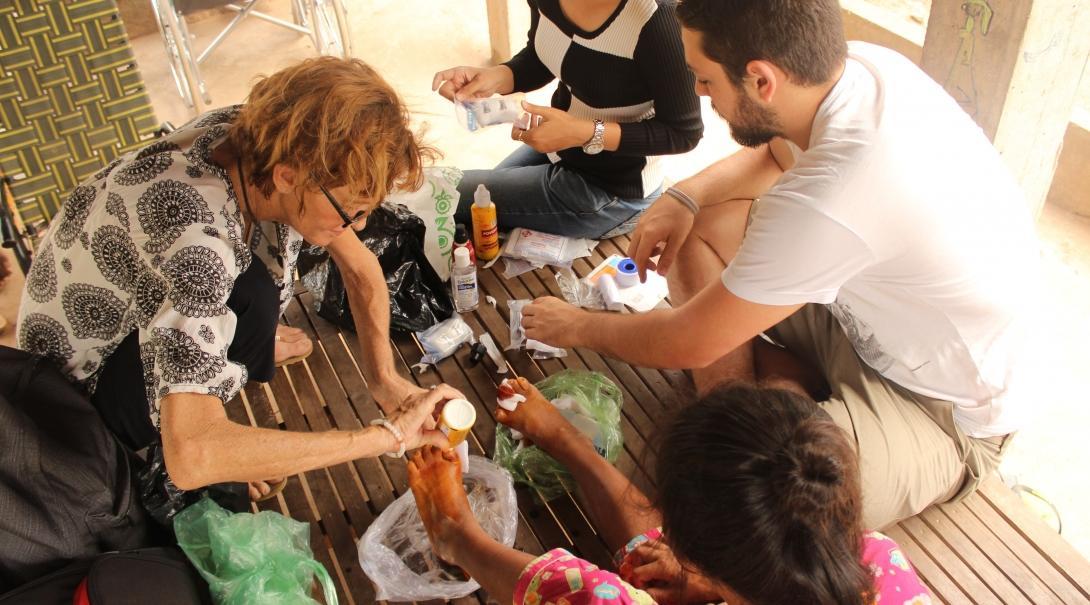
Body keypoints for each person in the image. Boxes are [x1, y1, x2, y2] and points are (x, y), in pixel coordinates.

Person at [518, 0, 1039, 529]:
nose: (698, 93)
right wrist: (684, 196)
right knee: (694, 226)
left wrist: (578, 325)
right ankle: (766, 399)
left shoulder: (836, 192)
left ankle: (770, 405)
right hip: (863, 314)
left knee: (766, 511)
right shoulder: (851, 70)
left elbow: (686, 342)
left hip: (939, 410)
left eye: (703, 79)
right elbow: (774, 155)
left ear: (762, 80)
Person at [16, 57, 463, 501]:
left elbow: (360, 267)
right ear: (289, 176)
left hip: (130, 312)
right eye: (353, 210)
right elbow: (191, 457)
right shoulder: (196, 243)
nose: (361, 225)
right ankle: (150, 450)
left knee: (254, 298)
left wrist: (384, 379)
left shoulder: (268, 138)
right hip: (74, 401)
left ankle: (206, 396)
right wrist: (386, 436)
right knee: (202, 431)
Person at [408, 379, 932, 604]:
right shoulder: (876, 557)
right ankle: (565, 441)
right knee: (650, 571)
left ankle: (455, 537)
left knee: (600, 591)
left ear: (694, 548)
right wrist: (710, 587)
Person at [433, 0, 703, 239]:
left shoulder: (658, 21)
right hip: (561, 149)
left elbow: (683, 133)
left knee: (442, 194)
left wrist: (583, 133)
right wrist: (495, 77)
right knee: (467, 200)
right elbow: (542, 55)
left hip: (613, 189)